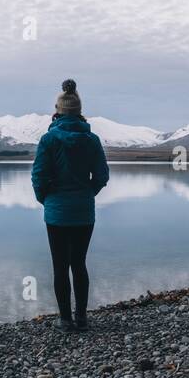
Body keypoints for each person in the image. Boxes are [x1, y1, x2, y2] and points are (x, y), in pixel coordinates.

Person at [30, 79, 109, 332]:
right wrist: (87, 194)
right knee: (79, 263)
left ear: (57, 111)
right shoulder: (92, 139)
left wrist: (47, 200)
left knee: (60, 266)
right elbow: (101, 177)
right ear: (79, 111)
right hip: (84, 211)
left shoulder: (48, 140)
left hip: (56, 213)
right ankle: (82, 318)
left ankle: (65, 320)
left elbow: (39, 176)